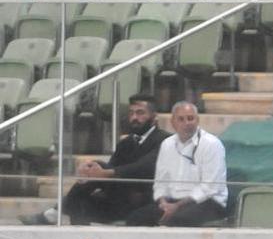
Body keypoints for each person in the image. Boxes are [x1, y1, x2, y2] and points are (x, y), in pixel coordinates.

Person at [25, 95, 170, 225]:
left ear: (153, 116)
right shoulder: (126, 143)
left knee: (99, 166)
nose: (134, 118)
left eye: (140, 113)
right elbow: (108, 171)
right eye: (131, 113)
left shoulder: (164, 140)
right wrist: (91, 172)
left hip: (143, 198)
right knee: (80, 202)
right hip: (120, 197)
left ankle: (55, 213)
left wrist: (104, 172)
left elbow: (144, 167)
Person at [126, 101, 227, 227]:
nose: (187, 123)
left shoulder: (212, 144)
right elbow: (160, 182)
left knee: (177, 221)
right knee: (135, 219)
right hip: (172, 202)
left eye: (191, 118)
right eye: (181, 119)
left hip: (208, 202)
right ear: (173, 122)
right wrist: (163, 202)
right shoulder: (167, 144)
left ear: (197, 120)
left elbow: (210, 188)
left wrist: (176, 206)